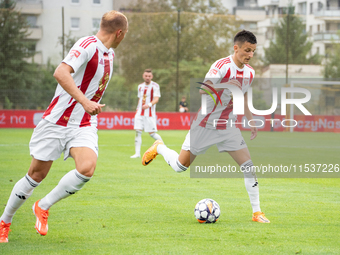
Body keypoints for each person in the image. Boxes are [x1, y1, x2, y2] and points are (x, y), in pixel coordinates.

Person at [0, 11, 128, 243]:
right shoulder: (87, 44)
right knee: (36, 175)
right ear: (119, 32)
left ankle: (43, 205)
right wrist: (85, 101)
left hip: (83, 124)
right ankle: (5, 220)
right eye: (125, 34)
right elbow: (60, 72)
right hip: (57, 122)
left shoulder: (109, 54)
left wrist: (88, 106)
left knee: (87, 167)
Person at [142, 30, 270, 223]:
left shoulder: (250, 72)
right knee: (180, 167)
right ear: (236, 48)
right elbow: (204, 89)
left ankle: (257, 213)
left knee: (248, 166)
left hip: (228, 126)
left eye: (253, 51)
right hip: (205, 124)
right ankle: (159, 147)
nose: (250, 55)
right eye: (247, 50)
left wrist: (250, 120)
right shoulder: (221, 66)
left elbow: (243, 95)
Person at [130, 69, 163, 158]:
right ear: (143, 76)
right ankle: (137, 153)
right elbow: (139, 99)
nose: (147, 77)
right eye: (146, 76)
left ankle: (164, 148)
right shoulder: (140, 86)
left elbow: (156, 99)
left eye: (149, 76)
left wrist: (148, 105)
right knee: (138, 131)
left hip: (149, 113)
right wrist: (138, 109)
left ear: (151, 77)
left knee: (152, 134)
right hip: (139, 113)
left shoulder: (155, 86)